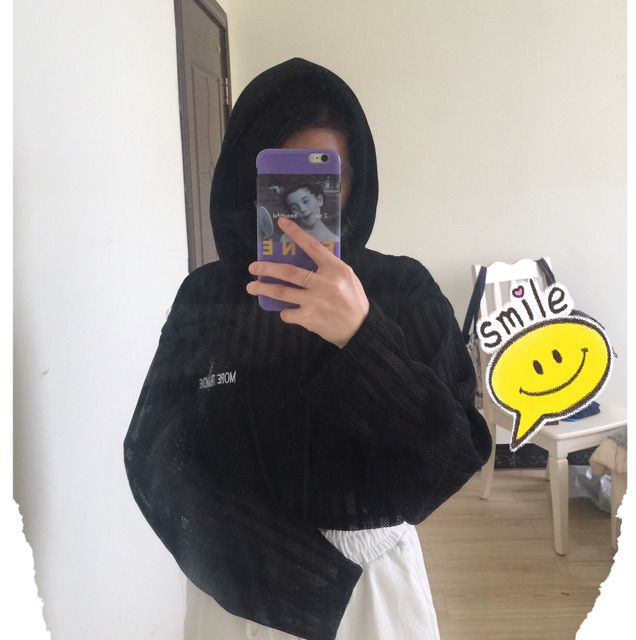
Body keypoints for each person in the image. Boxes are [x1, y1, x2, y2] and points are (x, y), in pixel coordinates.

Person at [123, 58, 492, 640]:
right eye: (281, 178)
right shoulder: (205, 297)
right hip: (237, 590)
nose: (300, 205)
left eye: (324, 178)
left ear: (354, 183)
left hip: (373, 589)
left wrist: (362, 339)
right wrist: (289, 576)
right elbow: (154, 450)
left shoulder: (402, 288)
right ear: (246, 181)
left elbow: (452, 456)